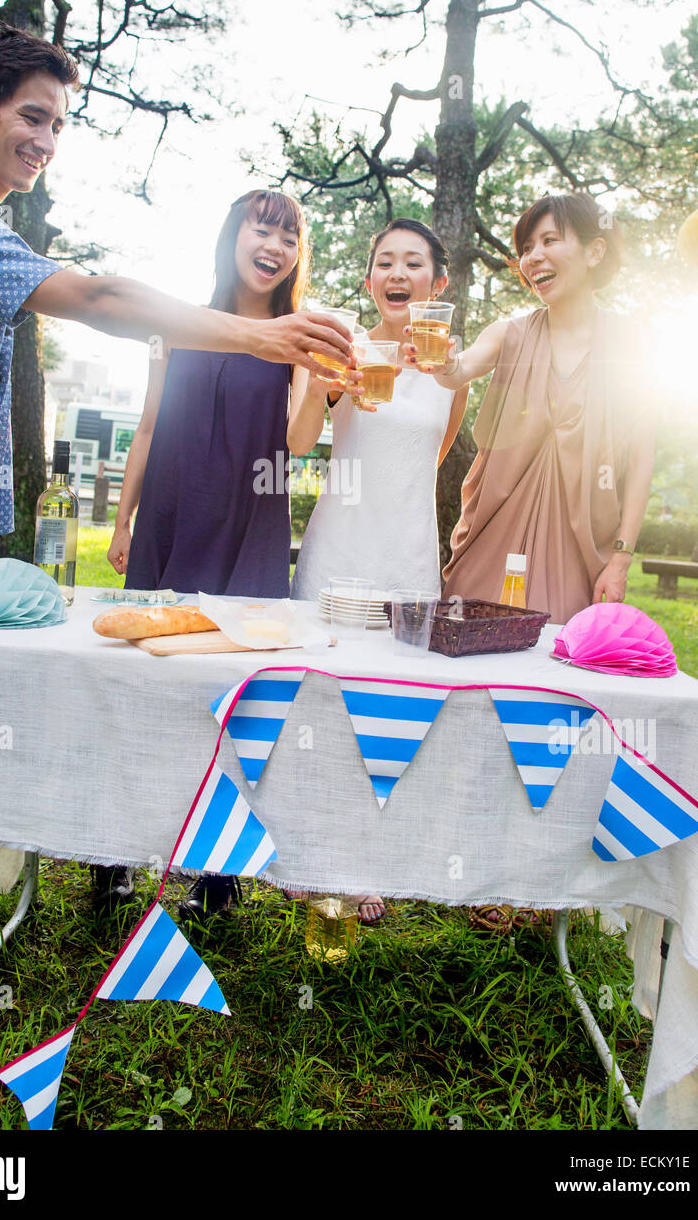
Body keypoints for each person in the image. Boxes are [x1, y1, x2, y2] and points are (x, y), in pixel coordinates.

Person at [0, 24, 351, 933]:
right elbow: (94, 300)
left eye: (59, 124)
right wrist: (259, 335)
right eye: (32, 117)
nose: (47, 142)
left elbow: (291, 446)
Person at [108, 188, 311, 922]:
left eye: (289, 237)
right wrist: (125, 519)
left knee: (234, 698)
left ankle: (218, 875)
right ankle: (114, 857)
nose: (275, 246)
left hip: (249, 528)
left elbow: (297, 444)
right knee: (143, 687)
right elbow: (148, 424)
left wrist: (316, 371)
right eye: (263, 228)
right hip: (169, 516)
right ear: (234, 236)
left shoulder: (296, 338)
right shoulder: (178, 325)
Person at [289, 218, 468, 924]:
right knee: (319, 702)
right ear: (370, 282)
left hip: (407, 555)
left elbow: (430, 459)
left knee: (392, 707)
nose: (397, 273)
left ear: (438, 283)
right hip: (340, 546)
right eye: (384, 262)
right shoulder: (345, 349)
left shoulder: (452, 372)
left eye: (413, 262)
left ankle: (368, 860)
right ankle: (304, 852)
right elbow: (299, 442)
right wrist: (320, 388)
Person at [408, 194, 655, 626]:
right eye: (525, 248)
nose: (532, 257)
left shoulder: (630, 345)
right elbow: (458, 370)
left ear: (595, 251)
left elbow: (642, 458)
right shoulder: (510, 334)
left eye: (549, 241)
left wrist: (620, 560)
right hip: (492, 539)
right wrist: (443, 362)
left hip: (580, 552)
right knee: (472, 666)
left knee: (558, 674)